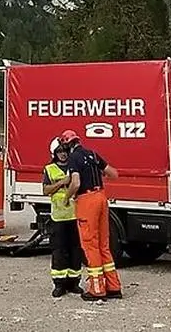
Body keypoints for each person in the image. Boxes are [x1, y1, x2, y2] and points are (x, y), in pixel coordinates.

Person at [61, 129, 120, 301]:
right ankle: (113, 286)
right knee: (104, 245)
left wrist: (67, 196)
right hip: (101, 197)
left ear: (67, 145)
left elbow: (76, 182)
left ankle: (96, 289)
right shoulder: (93, 154)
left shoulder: (74, 158)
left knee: (90, 245)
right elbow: (113, 173)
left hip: (86, 200)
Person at [43, 137, 83, 297]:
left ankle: (74, 282)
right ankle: (59, 284)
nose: (63, 154)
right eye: (59, 151)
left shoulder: (74, 166)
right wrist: (62, 182)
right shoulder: (49, 169)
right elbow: (46, 190)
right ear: (54, 153)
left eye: (65, 151)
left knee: (75, 251)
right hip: (58, 217)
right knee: (59, 252)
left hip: (74, 215)